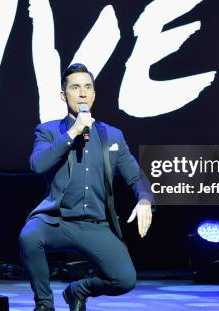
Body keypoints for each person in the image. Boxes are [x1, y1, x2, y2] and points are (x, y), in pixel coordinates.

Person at [19, 63, 155, 311]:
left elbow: (137, 177)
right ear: (64, 95)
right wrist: (73, 132)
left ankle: (77, 290)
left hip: (95, 224)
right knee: (29, 238)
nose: (82, 93)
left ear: (94, 94)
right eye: (75, 87)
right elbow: (38, 165)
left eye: (87, 87)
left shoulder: (112, 135)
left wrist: (145, 200)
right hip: (57, 220)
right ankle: (44, 304)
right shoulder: (48, 131)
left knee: (125, 280)